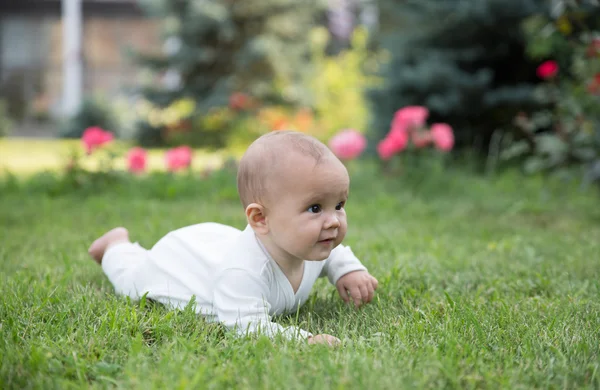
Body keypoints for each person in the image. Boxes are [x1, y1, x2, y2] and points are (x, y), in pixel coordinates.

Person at [88, 130, 378, 346]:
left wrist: (348, 270)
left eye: (339, 205)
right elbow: (246, 326)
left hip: (215, 243)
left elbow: (334, 254)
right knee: (131, 281)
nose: (333, 221)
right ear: (260, 219)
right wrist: (305, 339)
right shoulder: (243, 272)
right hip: (180, 263)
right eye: (315, 208)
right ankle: (115, 245)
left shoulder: (313, 244)